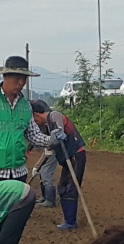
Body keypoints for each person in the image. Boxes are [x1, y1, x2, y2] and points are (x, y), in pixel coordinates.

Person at [0, 56, 59, 187]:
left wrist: (50, 140)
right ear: (5, 76)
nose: (21, 83)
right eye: (17, 78)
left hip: (18, 174)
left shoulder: (25, 106)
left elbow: (33, 135)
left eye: (24, 79)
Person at [29, 97, 87, 229]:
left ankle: (70, 222)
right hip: (67, 159)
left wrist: (60, 131)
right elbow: (49, 149)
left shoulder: (53, 116)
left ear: (36, 114)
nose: (35, 123)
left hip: (76, 155)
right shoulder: (47, 126)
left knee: (71, 188)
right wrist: (38, 167)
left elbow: (59, 124)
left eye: (34, 120)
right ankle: (68, 220)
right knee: (62, 188)